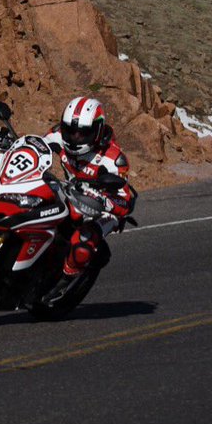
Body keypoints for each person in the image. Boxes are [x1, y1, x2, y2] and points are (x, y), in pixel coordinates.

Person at [39, 96, 137, 305]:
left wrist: (102, 200)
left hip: (103, 210)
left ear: (98, 131)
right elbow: (37, 147)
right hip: (72, 192)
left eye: (83, 133)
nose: (75, 137)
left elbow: (125, 202)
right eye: (70, 130)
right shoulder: (58, 134)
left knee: (83, 243)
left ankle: (64, 283)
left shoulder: (113, 160)